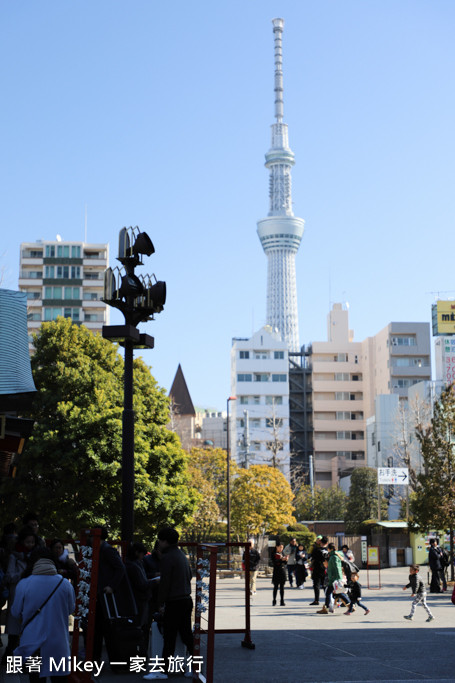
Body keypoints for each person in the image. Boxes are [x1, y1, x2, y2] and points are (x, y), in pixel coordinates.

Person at [11, 547, 75, 683]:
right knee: (60, 679)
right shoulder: (64, 584)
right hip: (58, 642)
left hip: (32, 643)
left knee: (35, 679)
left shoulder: (24, 583)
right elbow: (70, 610)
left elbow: (15, 612)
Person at [146, 526, 194, 680]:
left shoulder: (167, 557)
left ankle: (163, 671)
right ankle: (194, 667)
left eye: (160, 540)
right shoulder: (181, 555)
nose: (158, 543)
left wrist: (160, 603)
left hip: (174, 601)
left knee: (169, 637)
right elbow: (190, 575)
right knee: (186, 635)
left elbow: (165, 583)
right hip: (186, 599)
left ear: (165, 541)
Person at [91, 526, 137, 666]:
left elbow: (120, 568)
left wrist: (111, 586)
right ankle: (107, 660)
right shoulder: (105, 549)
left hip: (105, 595)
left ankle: (96, 659)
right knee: (104, 629)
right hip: (104, 595)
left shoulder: (105, 551)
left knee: (101, 628)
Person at [1, 526, 38, 663]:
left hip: (31, 595)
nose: (30, 545)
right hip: (17, 594)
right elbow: (8, 577)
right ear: (22, 542)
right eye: (28, 542)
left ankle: (25, 660)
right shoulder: (14, 556)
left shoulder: (36, 556)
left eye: (32, 542)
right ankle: (10, 657)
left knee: (29, 629)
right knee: (14, 630)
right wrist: (21, 575)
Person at [125, 542, 157, 655]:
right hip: (141, 600)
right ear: (137, 553)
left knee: (140, 627)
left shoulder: (131, 564)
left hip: (136, 599)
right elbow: (142, 584)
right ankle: (141, 653)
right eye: (142, 554)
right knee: (142, 627)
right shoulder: (135, 566)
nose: (143, 557)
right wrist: (154, 581)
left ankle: (139, 653)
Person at [317, 543, 350, 614]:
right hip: (334, 578)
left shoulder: (334, 557)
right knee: (336, 592)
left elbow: (337, 568)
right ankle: (326, 608)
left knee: (334, 592)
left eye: (328, 549)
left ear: (330, 549)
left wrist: (338, 578)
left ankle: (350, 605)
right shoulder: (334, 555)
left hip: (334, 578)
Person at [309, 535, 328, 605]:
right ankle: (328, 599)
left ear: (320, 542)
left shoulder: (316, 550)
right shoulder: (327, 550)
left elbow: (312, 557)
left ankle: (316, 600)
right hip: (325, 568)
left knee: (316, 584)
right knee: (325, 585)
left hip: (317, 568)